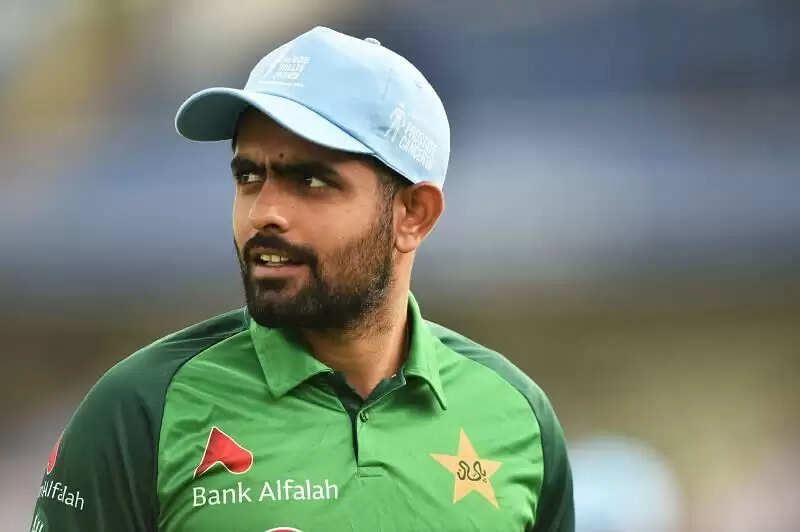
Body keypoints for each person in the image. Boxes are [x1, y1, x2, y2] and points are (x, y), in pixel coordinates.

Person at [30, 26, 573, 532]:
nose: (263, 212)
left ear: (413, 214)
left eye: (310, 181)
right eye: (249, 175)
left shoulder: (518, 418)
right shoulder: (140, 409)